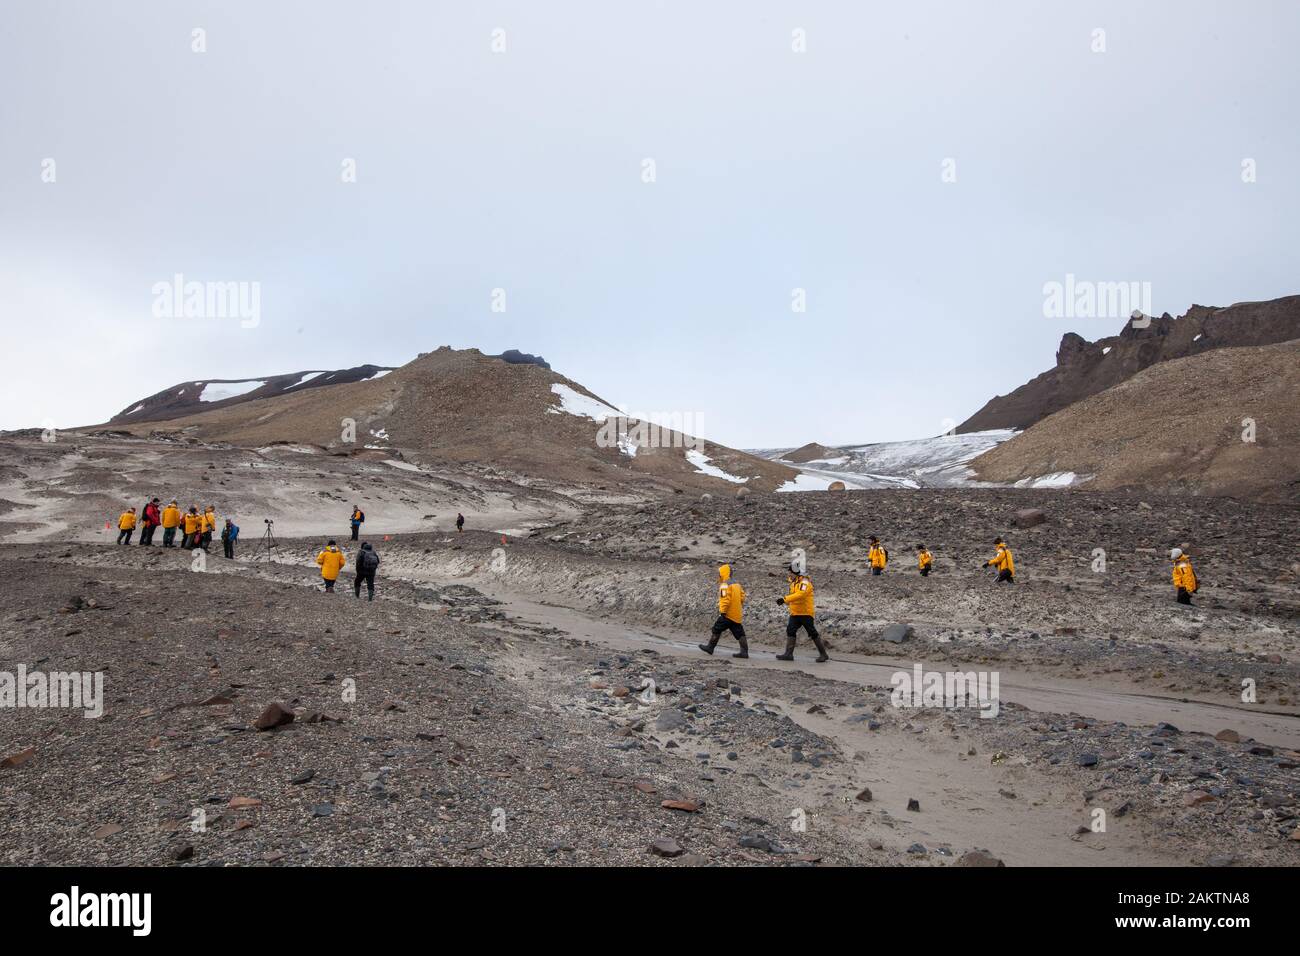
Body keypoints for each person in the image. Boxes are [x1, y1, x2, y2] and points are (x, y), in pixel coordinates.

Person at [776, 562, 828, 662]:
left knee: (812, 633)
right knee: (790, 630)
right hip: (795, 612)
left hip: (805, 613)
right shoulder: (793, 583)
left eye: (790, 572)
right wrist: (786, 602)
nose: (789, 574)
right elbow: (794, 596)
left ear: (796, 573)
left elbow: (801, 595)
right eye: (789, 572)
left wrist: (784, 599)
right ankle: (788, 654)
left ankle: (823, 654)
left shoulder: (805, 583)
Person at [698, 564, 748, 658]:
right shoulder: (737, 584)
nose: (719, 575)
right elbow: (742, 597)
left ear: (723, 573)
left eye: (719, 573)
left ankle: (710, 647)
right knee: (739, 633)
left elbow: (724, 599)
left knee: (716, 628)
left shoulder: (724, 585)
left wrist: (723, 611)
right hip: (736, 613)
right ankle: (744, 652)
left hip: (727, 614)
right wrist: (737, 606)